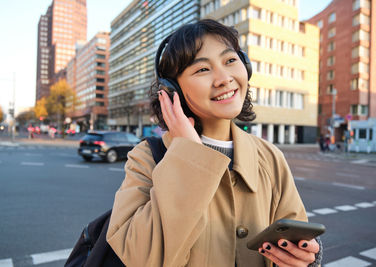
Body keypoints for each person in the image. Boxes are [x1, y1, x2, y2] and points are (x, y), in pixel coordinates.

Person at [106, 19, 322, 267]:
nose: (224, 78)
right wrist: (187, 155)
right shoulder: (146, 157)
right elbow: (141, 257)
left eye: (230, 61)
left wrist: (305, 257)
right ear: (171, 90)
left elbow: (296, 236)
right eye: (202, 70)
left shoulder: (270, 156)